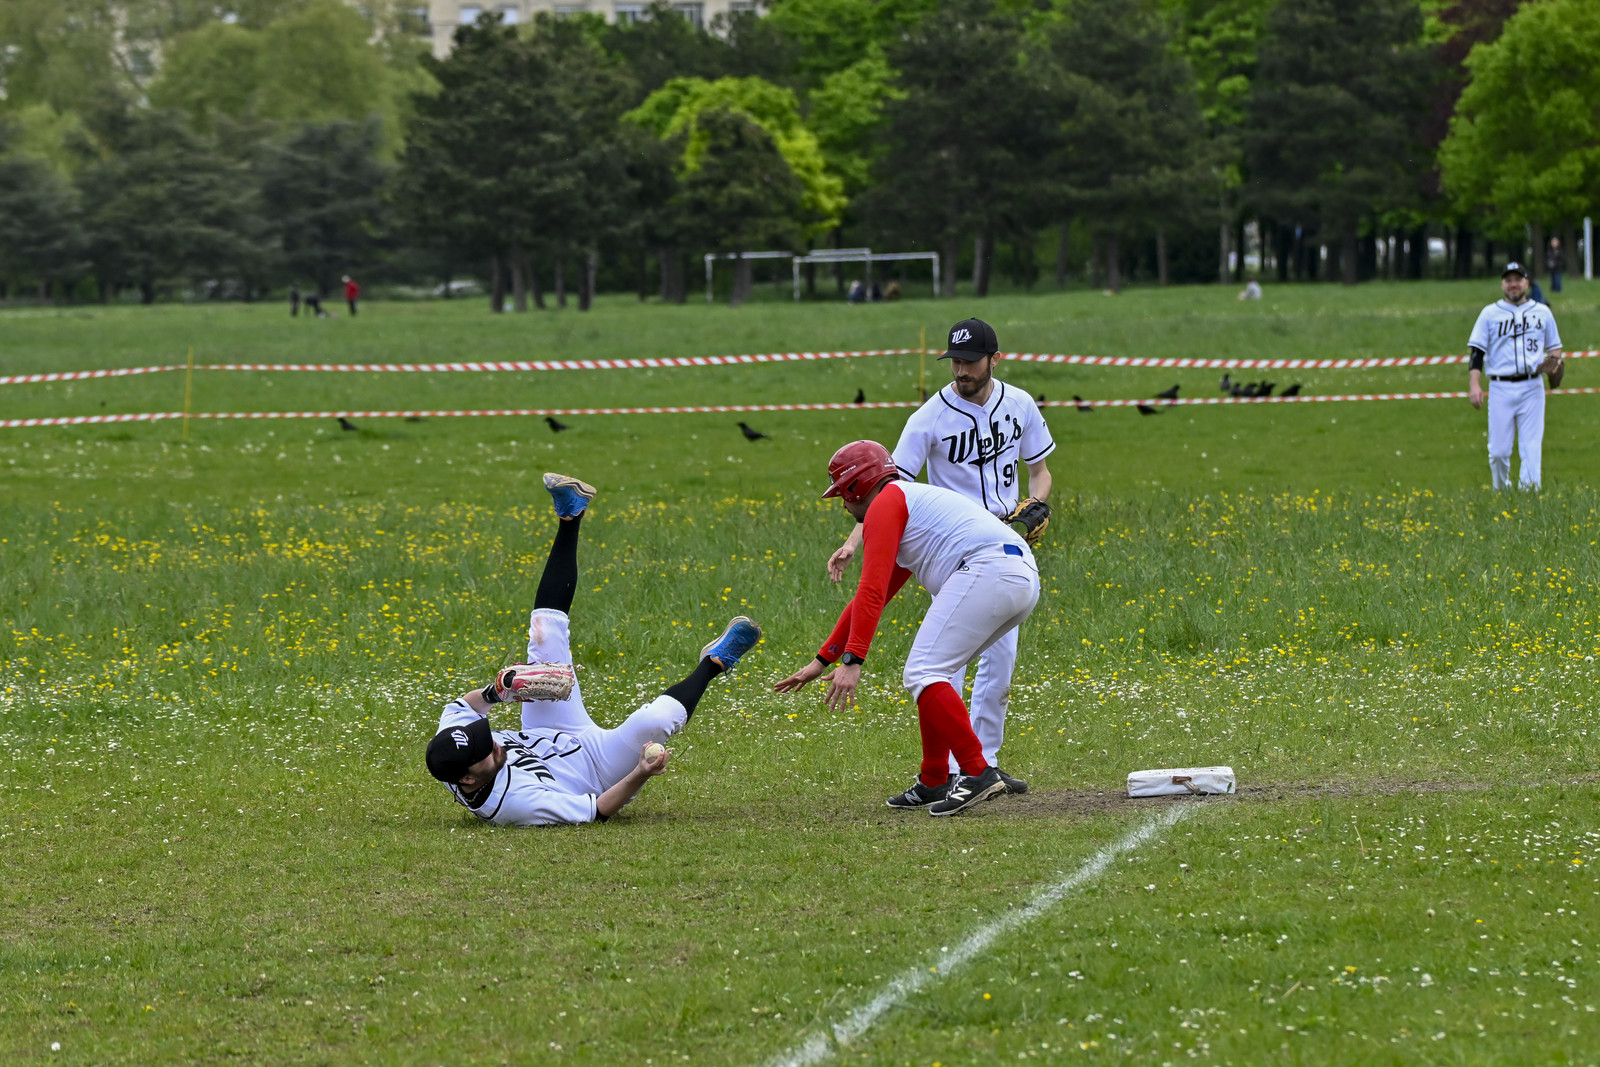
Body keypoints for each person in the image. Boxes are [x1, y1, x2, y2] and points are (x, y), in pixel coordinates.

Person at [424, 473, 762, 826]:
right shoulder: (513, 805)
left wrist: (497, 693)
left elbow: (464, 706)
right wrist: (642, 773)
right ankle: (714, 663)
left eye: (483, 737)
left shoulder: (452, 743)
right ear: (468, 779)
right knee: (655, 721)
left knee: (543, 635)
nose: (492, 742)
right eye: (484, 749)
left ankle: (571, 515)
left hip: (551, 728)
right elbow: (598, 810)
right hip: (599, 768)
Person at [826, 318, 1054, 794]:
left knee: (995, 670)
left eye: (970, 361)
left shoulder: (1020, 404)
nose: (960, 370)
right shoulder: (928, 417)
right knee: (943, 667)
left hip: (997, 543)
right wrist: (853, 542)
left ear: (995, 359)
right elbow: (886, 492)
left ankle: (980, 764)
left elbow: (1040, 472)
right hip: (952, 550)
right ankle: (952, 772)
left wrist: (1035, 506)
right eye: (954, 361)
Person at [778, 440, 1040, 816]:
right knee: (936, 672)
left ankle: (978, 771)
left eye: (842, 493)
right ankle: (935, 778)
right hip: (1016, 575)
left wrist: (853, 660)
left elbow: (869, 589)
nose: (842, 503)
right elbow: (876, 596)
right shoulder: (907, 503)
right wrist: (824, 659)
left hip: (989, 571)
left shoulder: (886, 504)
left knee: (924, 671)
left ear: (855, 487)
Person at [1467, 262, 1563, 491]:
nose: (1513, 284)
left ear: (1526, 282)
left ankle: (1530, 495)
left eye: (1518, 279)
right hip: (1501, 387)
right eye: (1508, 280)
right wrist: (1474, 385)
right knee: (1498, 451)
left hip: (1532, 387)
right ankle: (1502, 490)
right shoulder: (1490, 313)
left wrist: (1555, 364)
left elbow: (1555, 347)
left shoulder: (1542, 312)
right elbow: (1477, 352)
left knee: (1531, 447)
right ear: (1503, 284)